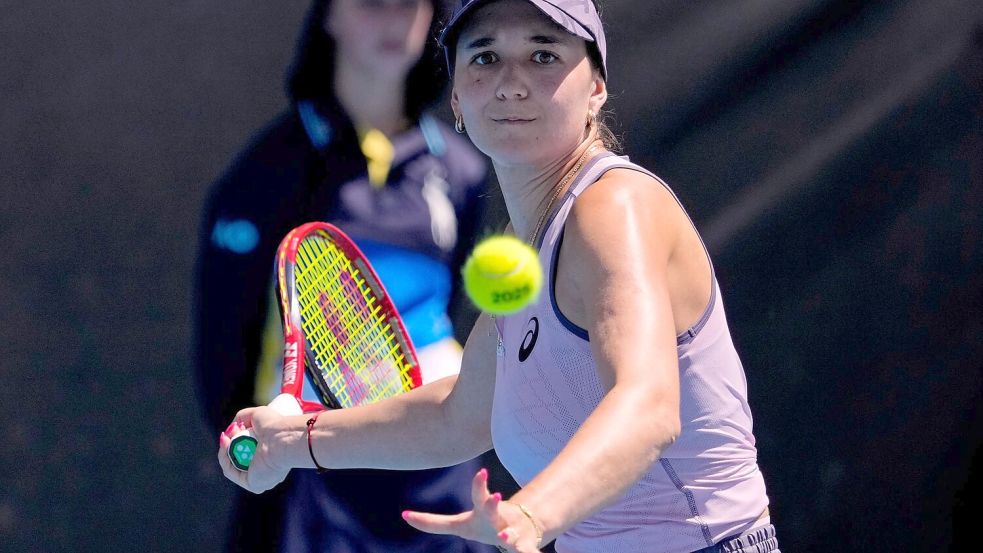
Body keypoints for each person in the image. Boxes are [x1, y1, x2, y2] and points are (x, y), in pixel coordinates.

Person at [217, 1, 781, 552]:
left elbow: (648, 404)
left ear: (597, 88)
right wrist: (294, 442)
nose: (511, 83)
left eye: (543, 55)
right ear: (458, 98)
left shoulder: (615, 207)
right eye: (485, 58)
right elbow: (457, 417)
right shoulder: (528, 244)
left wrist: (532, 515)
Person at [194, 0, 498, 551]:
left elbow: (446, 307)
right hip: (310, 483)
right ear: (329, 15)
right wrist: (253, 439)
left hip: (435, 477)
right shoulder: (265, 174)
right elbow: (221, 347)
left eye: (410, 3)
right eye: (372, 2)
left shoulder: (462, 169)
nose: (393, 19)